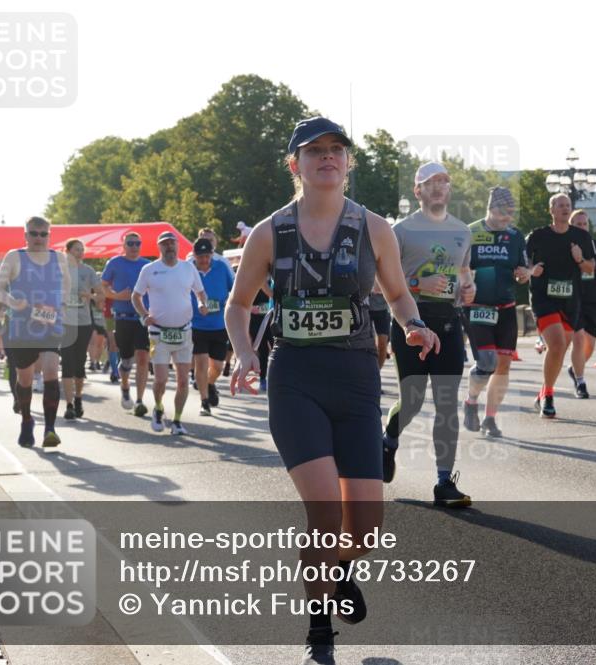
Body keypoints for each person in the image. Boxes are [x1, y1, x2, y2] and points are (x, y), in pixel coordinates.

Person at [225, 117, 440, 665]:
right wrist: (246, 352)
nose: (327, 157)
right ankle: (319, 634)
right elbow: (238, 304)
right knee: (324, 514)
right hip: (296, 381)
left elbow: (398, 294)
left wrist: (414, 324)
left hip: (356, 382)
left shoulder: (374, 228)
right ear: (294, 164)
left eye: (336, 150)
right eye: (314, 150)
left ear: (347, 162)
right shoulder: (271, 232)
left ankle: (337, 570)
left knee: (364, 529)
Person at [382, 161, 476, 506]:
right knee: (413, 399)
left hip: (448, 322)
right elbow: (381, 283)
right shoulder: (400, 231)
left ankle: (444, 481)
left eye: (443, 181)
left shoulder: (462, 230)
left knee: (447, 402)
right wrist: (418, 282)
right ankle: (388, 441)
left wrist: (468, 288)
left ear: (449, 189)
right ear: (417, 190)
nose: (438, 187)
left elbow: (464, 271)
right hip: (411, 323)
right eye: (430, 182)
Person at [0, 216, 71, 448]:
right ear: (26, 235)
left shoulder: (59, 258)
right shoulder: (15, 256)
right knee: (25, 378)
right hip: (22, 327)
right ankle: (27, 420)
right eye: (34, 233)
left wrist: (61, 306)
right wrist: (14, 303)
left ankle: (50, 429)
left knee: (51, 371)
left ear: (49, 235)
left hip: (50, 324)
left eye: (43, 234)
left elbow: (67, 286)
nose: (38, 238)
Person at [462, 186, 529, 437]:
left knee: (503, 366)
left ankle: (490, 418)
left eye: (511, 212)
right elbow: (457, 267)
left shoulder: (515, 236)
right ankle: (471, 400)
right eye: (503, 212)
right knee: (487, 362)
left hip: (506, 307)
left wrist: (524, 274)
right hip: (477, 306)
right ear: (490, 208)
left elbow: (523, 269)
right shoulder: (470, 232)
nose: (507, 217)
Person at [132, 231, 209, 435]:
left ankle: (177, 421)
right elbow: (135, 296)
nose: (169, 247)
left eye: (172, 243)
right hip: (159, 333)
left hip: (184, 331)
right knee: (161, 379)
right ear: (159, 247)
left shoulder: (188, 268)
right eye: (165, 244)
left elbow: (200, 292)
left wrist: (202, 303)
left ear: (177, 245)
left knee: (183, 380)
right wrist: (144, 315)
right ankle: (158, 408)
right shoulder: (150, 270)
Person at [526, 193, 596, 417]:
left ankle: (542, 393)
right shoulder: (537, 236)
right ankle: (548, 396)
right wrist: (531, 270)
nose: (565, 208)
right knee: (556, 345)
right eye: (560, 205)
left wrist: (579, 259)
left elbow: (590, 268)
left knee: (559, 352)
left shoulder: (581, 237)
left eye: (568, 205)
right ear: (551, 210)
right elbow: (523, 265)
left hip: (570, 302)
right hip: (543, 299)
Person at [102, 232, 151, 416]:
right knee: (127, 360)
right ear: (123, 246)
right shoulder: (115, 263)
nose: (134, 247)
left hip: (142, 317)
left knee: (143, 357)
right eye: (130, 243)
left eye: (137, 243)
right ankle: (124, 387)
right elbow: (103, 287)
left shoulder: (147, 265)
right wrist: (117, 295)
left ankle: (139, 400)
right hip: (123, 317)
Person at [566, 209, 596, 399]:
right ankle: (581, 382)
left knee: (589, 346)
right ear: (571, 226)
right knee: (578, 340)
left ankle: (574, 369)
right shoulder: (566, 245)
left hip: (592, 299)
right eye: (578, 224)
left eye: (585, 224)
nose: (583, 227)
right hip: (573, 299)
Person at [190, 237, 236, 416]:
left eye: (207, 256)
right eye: (200, 256)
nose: (204, 260)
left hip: (219, 325)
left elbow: (234, 290)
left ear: (212, 255)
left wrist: (231, 304)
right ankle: (204, 402)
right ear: (194, 255)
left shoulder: (222, 267)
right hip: (197, 325)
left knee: (217, 366)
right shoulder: (188, 270)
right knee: (201, 364)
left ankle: (209, 384)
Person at [61, 239, 103, 420]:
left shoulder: (88, 271)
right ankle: (69, 405)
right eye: (76, 249)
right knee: (67, 363)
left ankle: (78, 398)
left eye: (82, 250)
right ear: (68, 251)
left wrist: (89, 295)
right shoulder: (60, 271)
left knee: (79, 363)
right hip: (65, 323)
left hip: (84, 323)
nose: (80, 252)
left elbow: (101, 295)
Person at [368, 284, 392, 370]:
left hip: (383, 309)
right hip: (365, 308)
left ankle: (377, 372)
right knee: (367, 343)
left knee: (382, 344)